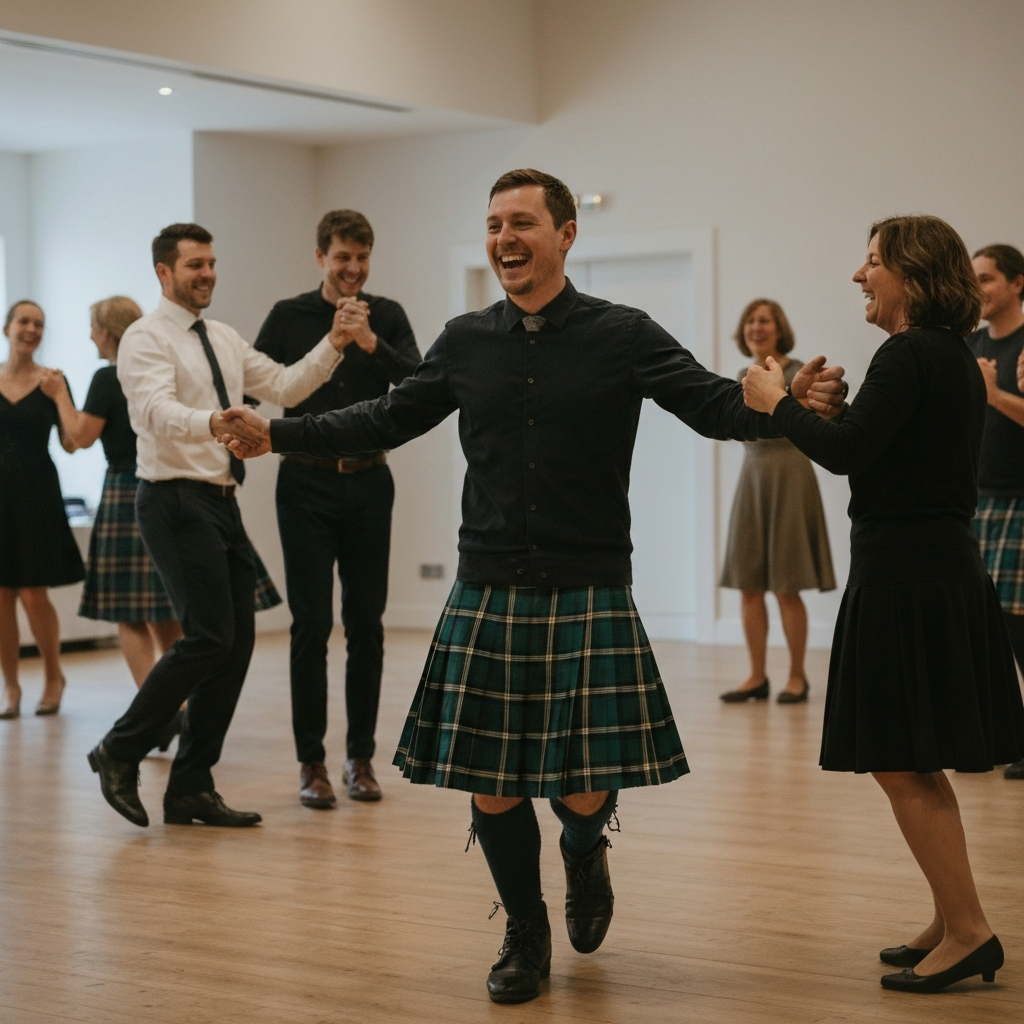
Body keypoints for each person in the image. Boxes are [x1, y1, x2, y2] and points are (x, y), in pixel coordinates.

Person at [217, 169, 847, 1003]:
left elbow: (708, 404)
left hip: (587, 581)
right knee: (495, 783)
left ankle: (585, 853)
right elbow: (388, 415)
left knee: (582, 785)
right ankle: (526, 927)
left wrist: (783, 406)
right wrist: (279, 433)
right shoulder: (464, 339)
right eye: (493, 225)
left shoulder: (623, 333)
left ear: (565, 234)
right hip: (489, 583)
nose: (504, 238)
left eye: (522, 222)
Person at [743, 215, 1024, 993]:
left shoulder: (908, 354)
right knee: (917, 756)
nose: (859, 275)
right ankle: (951, 916)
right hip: (934, 569)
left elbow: (847, 457)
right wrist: (825, 414)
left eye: (871, 262)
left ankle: (969, 930)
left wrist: (777, 402)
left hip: (907, 576)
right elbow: (880, 446)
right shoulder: (951, 357)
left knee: (900, 761)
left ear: (910, 273)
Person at [87, 222, 351, 830]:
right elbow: (151, 411)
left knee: (234, 645)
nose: (206, 274)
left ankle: (189, 788)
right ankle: (119, 750)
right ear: (163, 273)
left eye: (210, 263)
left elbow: (285, 385)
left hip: (220, 501)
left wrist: (334, 342)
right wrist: (213, 423)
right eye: (193, 265)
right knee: (209, 636)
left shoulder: (225, 338)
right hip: (171, 500)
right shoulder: (144, 339)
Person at [48, 296, 282, 753]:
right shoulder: (165, 360)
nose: (90, 336)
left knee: (130, 615)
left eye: (93, 328)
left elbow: (79, 437)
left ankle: (158, 711)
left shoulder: (107, 375)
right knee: (170, 611)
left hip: (130, 488)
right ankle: (172, 709)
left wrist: (59, 395)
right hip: (176, 487)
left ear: (107, 330)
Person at [254, 210, 421, 808]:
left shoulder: (390, 315)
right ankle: (311, 764)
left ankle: (361, 759)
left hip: (370, 481)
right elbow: (264, 387)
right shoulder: (287, 316)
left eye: (363, 257)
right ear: (320, 256)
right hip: (303, 485)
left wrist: (371, 342)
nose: (353, 268)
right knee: (309, 626)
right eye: (343, 256)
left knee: (367, 625)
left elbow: (422, 387)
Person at [719, 299, 835, 703]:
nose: (756, 327)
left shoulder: (797, 370)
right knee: (748, 583)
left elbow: (804, 418)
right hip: (753, 477)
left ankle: (797, 677)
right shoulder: (742, 375)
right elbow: (736, 426)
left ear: (778, 327)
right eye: (750, 320)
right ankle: (755, 676)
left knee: (787, 584)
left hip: (790, 476)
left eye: (764, 320)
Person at [0, 301, 83, 719]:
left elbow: (72, 442)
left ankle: (54, 676)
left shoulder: (53, 381)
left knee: (34, 593)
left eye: (39, 324)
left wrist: (61, 395)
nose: (31, 329)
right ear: (7, 327)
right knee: (0, 596)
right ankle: (11, 687)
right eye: (24, 322)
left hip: (36, 496)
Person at [968, 245, 1024, 782]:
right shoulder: (969, 344)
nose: (977, 287)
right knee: (981, 626)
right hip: (975, 499)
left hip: (1019, 500)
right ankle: (989, 736)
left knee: (1017, 627)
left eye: (987, 278)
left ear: (1017, 284)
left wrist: (992, 392)